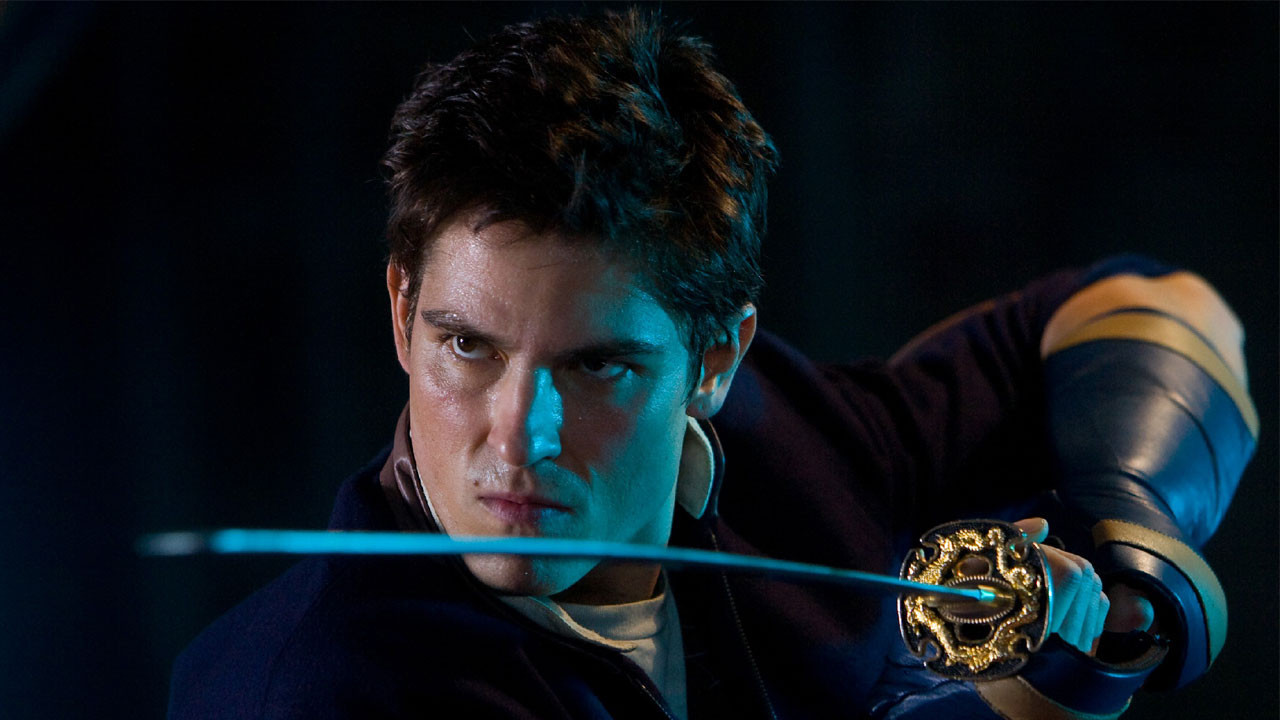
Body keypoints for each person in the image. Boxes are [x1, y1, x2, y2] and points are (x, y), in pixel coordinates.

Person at [168, 10, 1256, 719]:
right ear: (403, 312)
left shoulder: (790, 446)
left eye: (598, 367)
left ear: (715, 357)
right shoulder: (320, 690)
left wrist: (1131, 543)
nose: (518, 435)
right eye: (468, 346)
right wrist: (1031, 691)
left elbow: (1157, 308)